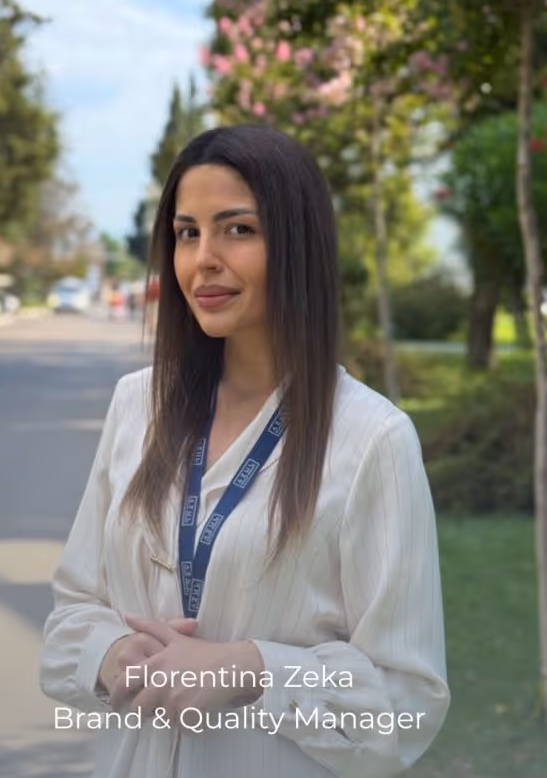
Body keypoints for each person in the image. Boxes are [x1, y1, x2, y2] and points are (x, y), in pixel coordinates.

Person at [39, 125, 450, 778]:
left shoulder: (373, 439)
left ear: (297, 245)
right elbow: (69, 621)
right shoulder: (135, 407)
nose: (203, 258)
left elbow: (406, 703)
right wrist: (112, 654)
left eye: (237, 230)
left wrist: (255, 669)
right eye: (187, 233)